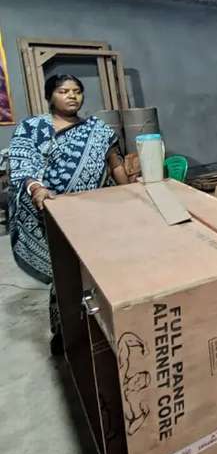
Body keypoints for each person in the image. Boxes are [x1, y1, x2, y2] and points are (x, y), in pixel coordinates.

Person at [8, 74, 129, 354]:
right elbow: (23, 165)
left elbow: (115, 164)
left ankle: (104, 325)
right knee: (63, 276)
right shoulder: (33, 128)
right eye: (64, 91)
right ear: (50, 96)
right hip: (53, 216)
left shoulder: (99, 130)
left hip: (94, 214)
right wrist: (36, 188)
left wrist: (132, 193)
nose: (72, 96)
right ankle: (63, 330)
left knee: (100, 271)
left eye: (77, 91)